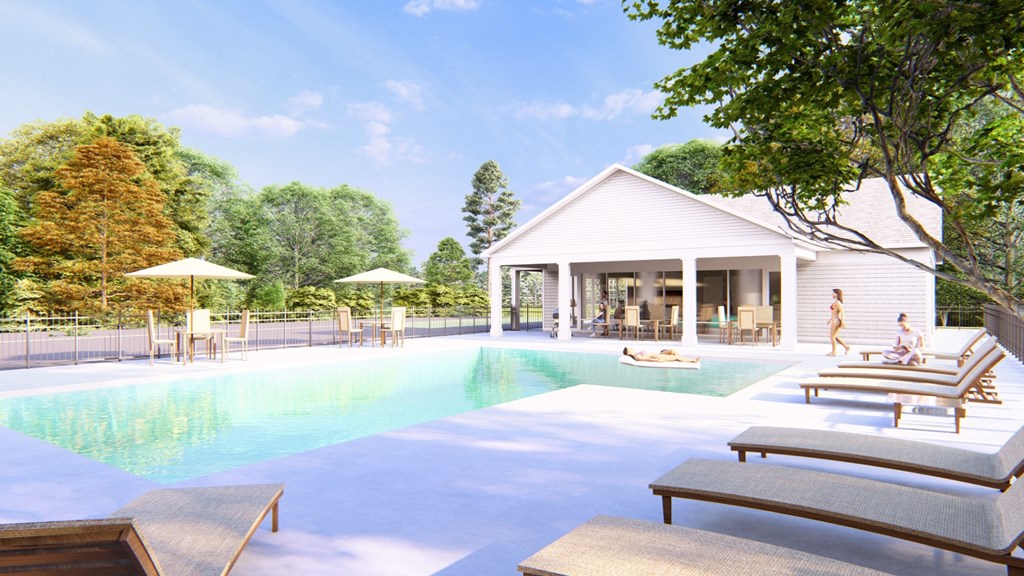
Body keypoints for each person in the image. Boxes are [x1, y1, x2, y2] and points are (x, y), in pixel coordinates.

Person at [827, 288, 851, 356]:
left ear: (836, 294)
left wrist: (842, 322)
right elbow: (834, 312)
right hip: (834, 320)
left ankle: (834, 352)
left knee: (832, 336)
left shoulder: (838, 303)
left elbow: (842, 312)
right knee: (834, 336)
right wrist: (830, 319)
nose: (831, 294)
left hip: (836, 321)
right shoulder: (835, 302)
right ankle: (846, 347)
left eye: (833, 293)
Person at [623, 347, 700, 364]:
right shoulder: (637, 356)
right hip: (658, 357)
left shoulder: (637, 353)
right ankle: (693, 360)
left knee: (673, 351)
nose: (631, 348)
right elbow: (646, 360)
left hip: (658, 354)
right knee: (676, 357)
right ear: (628, 352)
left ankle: (683, 360)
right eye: (629, 348)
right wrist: (657, 360)